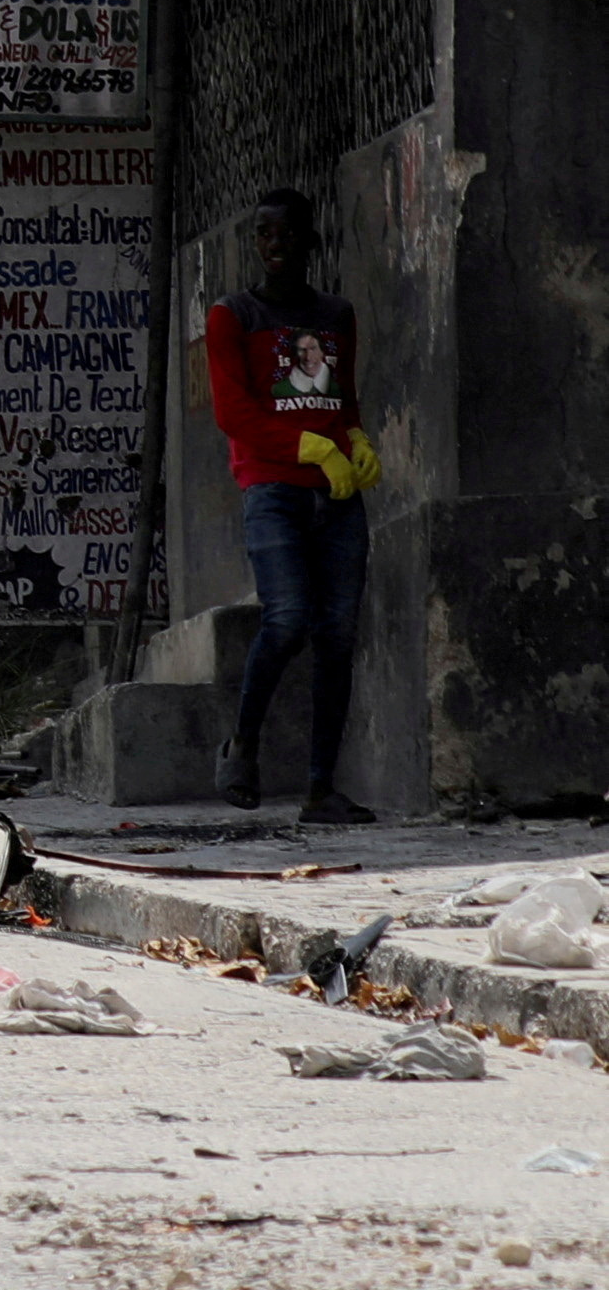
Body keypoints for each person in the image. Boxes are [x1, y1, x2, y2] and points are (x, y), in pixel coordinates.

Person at [205, 187, 374, 825]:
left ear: (311, 239)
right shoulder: (233, 316)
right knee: (288, 620)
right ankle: (242, 744)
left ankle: (320, 789)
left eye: (287, 233)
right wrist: (310, 446)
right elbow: (235, 414)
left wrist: (353, 441)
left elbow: (344, 399)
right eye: (264, 234)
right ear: (257, 243)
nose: (275, 244)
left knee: (338, 637)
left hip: (336, 494)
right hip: (273, 489)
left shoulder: (335, 315)